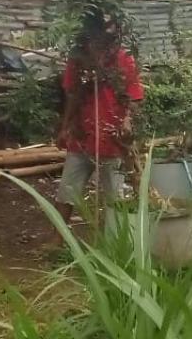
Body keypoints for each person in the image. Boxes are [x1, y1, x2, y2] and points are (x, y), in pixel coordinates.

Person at [55, 11, 144, 225]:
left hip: (113, 138)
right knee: (67, 191)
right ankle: (57, 237)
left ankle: (115, 238)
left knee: (115, 197)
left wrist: (127, 120)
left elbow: (134, 96)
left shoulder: (124, 59)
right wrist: (65, 127)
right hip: (81, 136)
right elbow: (71, 95)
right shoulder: (78, 60)